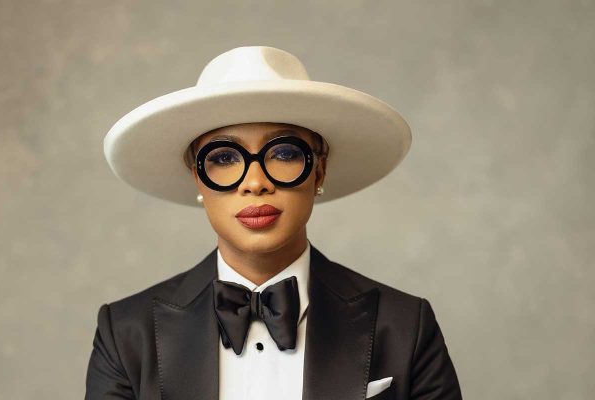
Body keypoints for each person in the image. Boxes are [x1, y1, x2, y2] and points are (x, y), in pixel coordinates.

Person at [85, 46, 462, 400]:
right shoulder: (126, 333)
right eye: (224, 157)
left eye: (283, 153)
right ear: (198, 178)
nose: (255, 182)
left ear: (319, 171)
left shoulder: (403, 326)